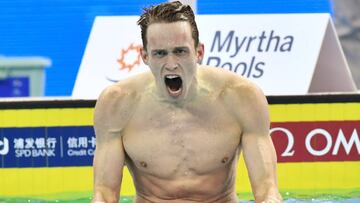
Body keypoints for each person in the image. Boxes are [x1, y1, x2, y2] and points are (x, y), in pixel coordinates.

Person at [92, 1, 282, 203]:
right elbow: (104, 194)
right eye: (160, 53)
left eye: (180, 51)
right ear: (145, 56)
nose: (171, 64)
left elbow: (267, 191)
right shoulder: (117, 103)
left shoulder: (241, 97)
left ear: (199, 52)